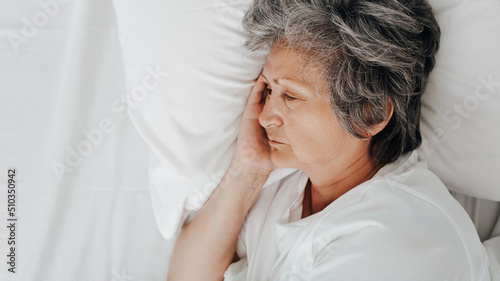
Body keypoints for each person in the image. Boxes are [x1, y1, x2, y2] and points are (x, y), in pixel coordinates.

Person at [167, 0, 491, 280]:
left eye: (290, 96)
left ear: (370, 114)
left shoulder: (399, 242)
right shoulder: (289, 184)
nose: (265, 116)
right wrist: (247, 168)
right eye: (268, 90)